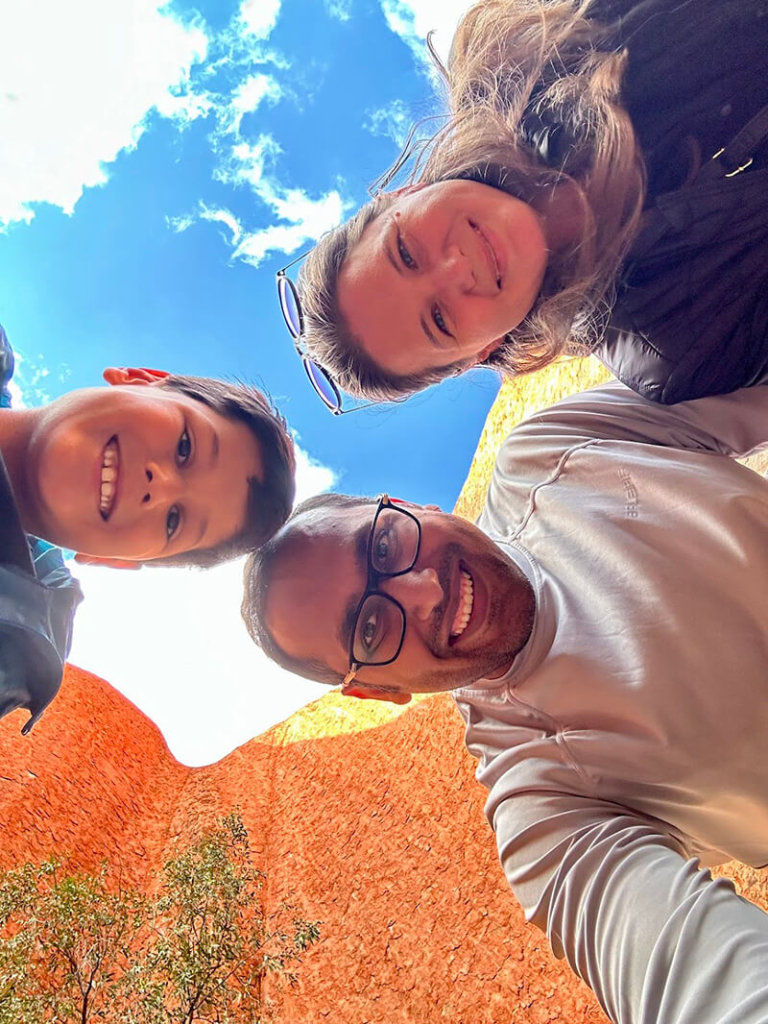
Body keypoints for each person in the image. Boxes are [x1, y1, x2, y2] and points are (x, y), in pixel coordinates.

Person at [242, 380, 768, 1023]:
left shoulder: (553, 451)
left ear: (407, 504)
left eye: (384, 547)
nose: (424, 592)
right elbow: (689, 972)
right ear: (379, 690)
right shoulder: (542, 806)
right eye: (369, 630)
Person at [280, 0, 768, 411]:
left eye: (405, 252)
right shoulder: (679, 345)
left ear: (402, 197)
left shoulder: (532, 42)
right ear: (483, 352)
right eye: (440, 320)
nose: (455, 268)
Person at [0, 322, 295, 733]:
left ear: (115, 560)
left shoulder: (14, 643)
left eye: (174, 521)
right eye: (185, 447)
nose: (160, 486)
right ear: (143, 379)